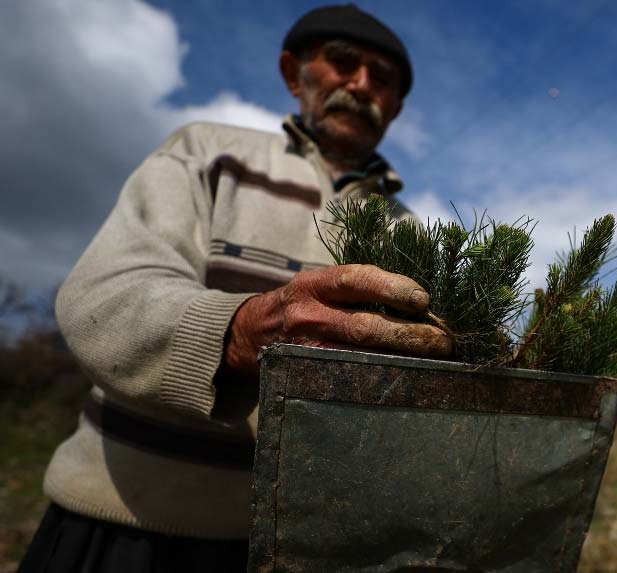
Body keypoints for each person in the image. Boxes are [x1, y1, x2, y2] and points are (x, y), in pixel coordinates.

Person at [18, 5, 448, 572]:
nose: (362, 83)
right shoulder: (210, 152)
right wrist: (240, 331)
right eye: (343, 62)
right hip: (127, 525)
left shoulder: (412, 229)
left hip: (314, 548)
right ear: (295, 74)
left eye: (383, 79)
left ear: (395, 107)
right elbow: (106, 294)